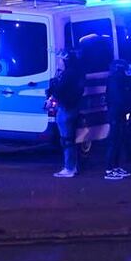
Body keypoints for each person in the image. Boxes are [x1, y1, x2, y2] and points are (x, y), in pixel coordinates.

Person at [47, 49, 85, 178]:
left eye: (60, 59)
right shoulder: (78, 72)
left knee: (66, 139)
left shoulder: (68, 74)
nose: (59, 62)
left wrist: (53, 88)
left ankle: (69, 168)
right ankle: (72, 166)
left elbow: (59, 90)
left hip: (66, 108)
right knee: (70, 139)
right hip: (73, 107)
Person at [104, 58, 131, 180]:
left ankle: (115, 166)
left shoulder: (117, 79)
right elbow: (121, 98)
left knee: (117, 141)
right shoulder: (116, 81)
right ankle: (109, 169)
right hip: (116, 114)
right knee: (114, 141)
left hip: (118, 113)